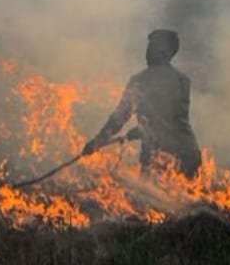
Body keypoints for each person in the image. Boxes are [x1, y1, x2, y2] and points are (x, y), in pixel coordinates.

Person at [82, 29, 202, 178]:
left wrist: (97, 142)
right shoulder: (182, 81)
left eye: (151, 47)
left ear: (163, 51)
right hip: (188, 153)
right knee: (189, 200)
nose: (147, 52)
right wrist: (139, 131)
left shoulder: (140, 80)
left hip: (160, 157)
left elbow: (120, 118)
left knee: (150, 199)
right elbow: (170, 121)